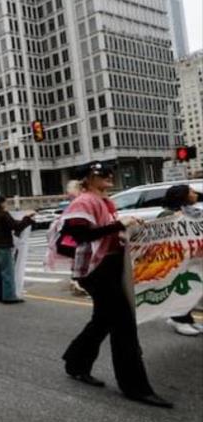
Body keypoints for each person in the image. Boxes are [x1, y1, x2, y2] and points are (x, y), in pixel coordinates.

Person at [59, 161, 171, 408]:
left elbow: (104, 233)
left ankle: (76, 362)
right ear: (88, 178)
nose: (109, 176)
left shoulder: (101, 201)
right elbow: (76, 235)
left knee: (104, 319)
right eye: (101, 173)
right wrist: (119, 225)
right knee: (123, 325)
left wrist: (127, 230)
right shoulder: (84, 201)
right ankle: (135, 386)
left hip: (110, 265)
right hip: (97, 269)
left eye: (110, 172)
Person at [158, 184, 202, 336]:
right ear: (182, 195)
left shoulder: (195, 212)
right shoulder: (168, 215)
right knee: (181, 290)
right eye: (190, 191)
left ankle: (187, 319)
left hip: (193, 258)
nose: (195, 193)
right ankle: (179, 320)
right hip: (177, 260)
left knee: (192, 290)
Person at [0, 195, 35, 303]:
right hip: (3, 246)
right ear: (0, 203)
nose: (6, 204)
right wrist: (27, 219)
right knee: (7, 272)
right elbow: (16, 226)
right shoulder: (2, 214)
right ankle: (9, 297)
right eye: (4, 202)